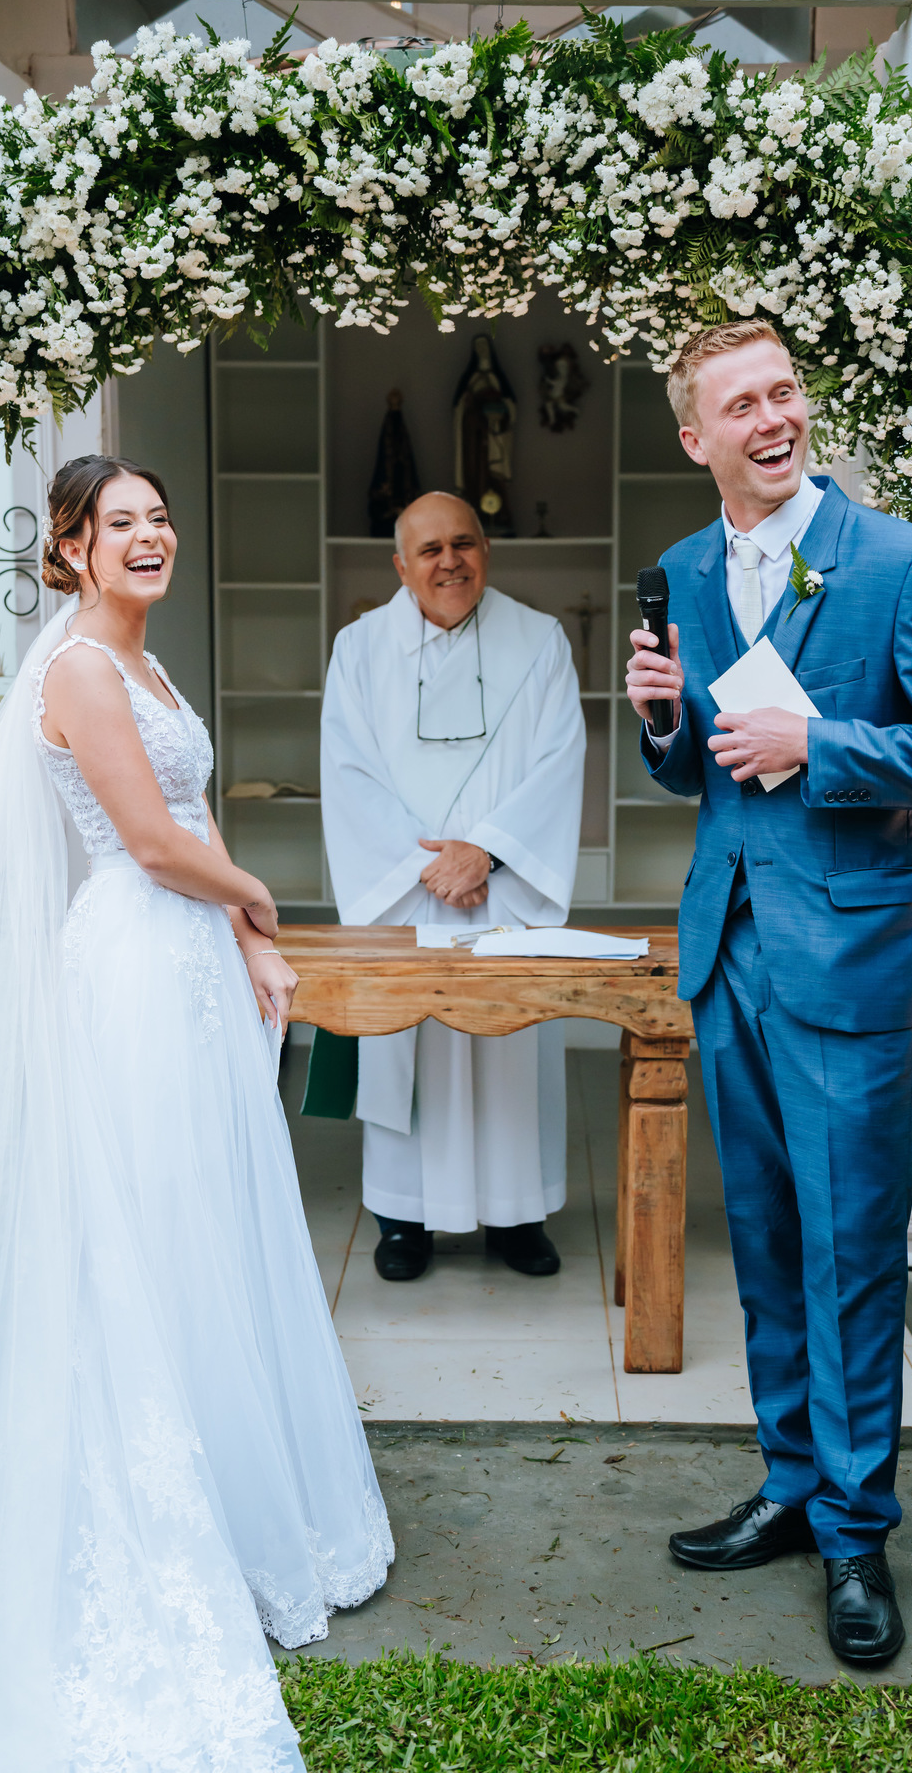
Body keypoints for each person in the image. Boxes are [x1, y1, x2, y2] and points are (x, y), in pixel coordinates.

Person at [0, 455, 391, 1768]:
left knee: (212, 1226)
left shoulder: (147, 665)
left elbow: (189, 803)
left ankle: (239, 1491)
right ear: (72, 549)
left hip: (194, 962)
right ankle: (165, 1517)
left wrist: (253, 948)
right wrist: (257, 898)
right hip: (137, 969)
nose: (150, 537)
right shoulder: (82, 671)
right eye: (121, 524)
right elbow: (152, 844)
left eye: (159, 519)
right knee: (149, 1235)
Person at [625, 321, 912, 1667]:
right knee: (764, 1240)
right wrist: (666, 722)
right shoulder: (687, 570)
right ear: (697, 438)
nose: (773, 419)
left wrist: (823, 741)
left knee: (852, 1249)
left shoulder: (902, 562)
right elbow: (704, 770)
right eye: (740, 405)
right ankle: (793, 1485)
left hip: (851, 959)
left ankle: (858, 1535)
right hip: (728, 950)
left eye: (784, 391)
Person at [321, 491, 585, 1281]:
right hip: (407, 895)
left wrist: (489, 854)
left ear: (486, 551)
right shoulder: (358, 649)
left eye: (463, 543)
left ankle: (517, 1215)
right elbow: (348, 773)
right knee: (407, 1046)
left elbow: (559, 760)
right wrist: (426, 868)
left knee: (510, 1047)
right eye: (429, 550)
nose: (449, 562)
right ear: (401, 566)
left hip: (502, 894)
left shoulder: (539, 641)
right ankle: (404, 1219)